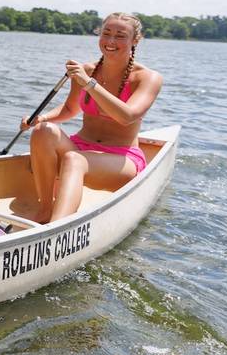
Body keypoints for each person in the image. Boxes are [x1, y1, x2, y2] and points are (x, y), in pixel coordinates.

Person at [18, 12, 162, 223]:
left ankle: (57, 229)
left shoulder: (148, 78)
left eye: (120, 36)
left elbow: (127, 116)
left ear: (135, 40)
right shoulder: (87, 71)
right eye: (106, 33)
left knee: (74, 160)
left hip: (121, 159)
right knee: (44, 131)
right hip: (80, 147)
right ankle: (46, 209)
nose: (111, 41)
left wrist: (89, 84)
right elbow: (69, 109)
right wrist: (40, 118)